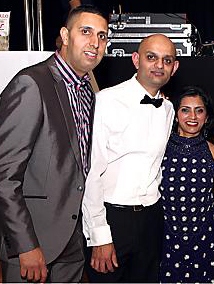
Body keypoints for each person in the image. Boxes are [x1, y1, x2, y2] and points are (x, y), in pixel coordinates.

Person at [0, 5, 108, 282]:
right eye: (86, 32)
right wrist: (25, 245)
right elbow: (4, 176)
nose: (95, 43)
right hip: (33, 243)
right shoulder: (31, 83)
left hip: (72, 242)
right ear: (65, 35)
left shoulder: (88, 93)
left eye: (102, 36)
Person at [81, 34, 178, 282]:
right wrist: (99, 235)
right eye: (151, 57)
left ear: (174, 67)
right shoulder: (106, 101)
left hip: (151, 220)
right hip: (112, 220)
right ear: (136, 60)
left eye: (167, 60)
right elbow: (90, 173)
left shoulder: (168, 109)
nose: (159, 65)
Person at [159, 86, 214, 283]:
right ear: (176, 115)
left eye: (199, 110)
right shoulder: (159, 148)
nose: (192, 116)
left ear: (206, 116)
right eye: (185, 110)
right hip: (165, 238)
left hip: (204, 240)